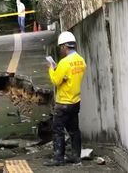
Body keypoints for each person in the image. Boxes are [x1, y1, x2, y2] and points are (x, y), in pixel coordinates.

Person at [44, 31, 86, 167]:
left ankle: (58, 158)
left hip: (63, 103)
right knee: (74, 130)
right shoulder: (81, 60)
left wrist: (51, 69)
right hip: (75, 101)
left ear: (64, 47)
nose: (60, 50)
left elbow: (56, 81)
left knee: (57, 130)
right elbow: (72, 76)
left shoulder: (64, 62)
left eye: (60, 48)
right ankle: (76, 156)